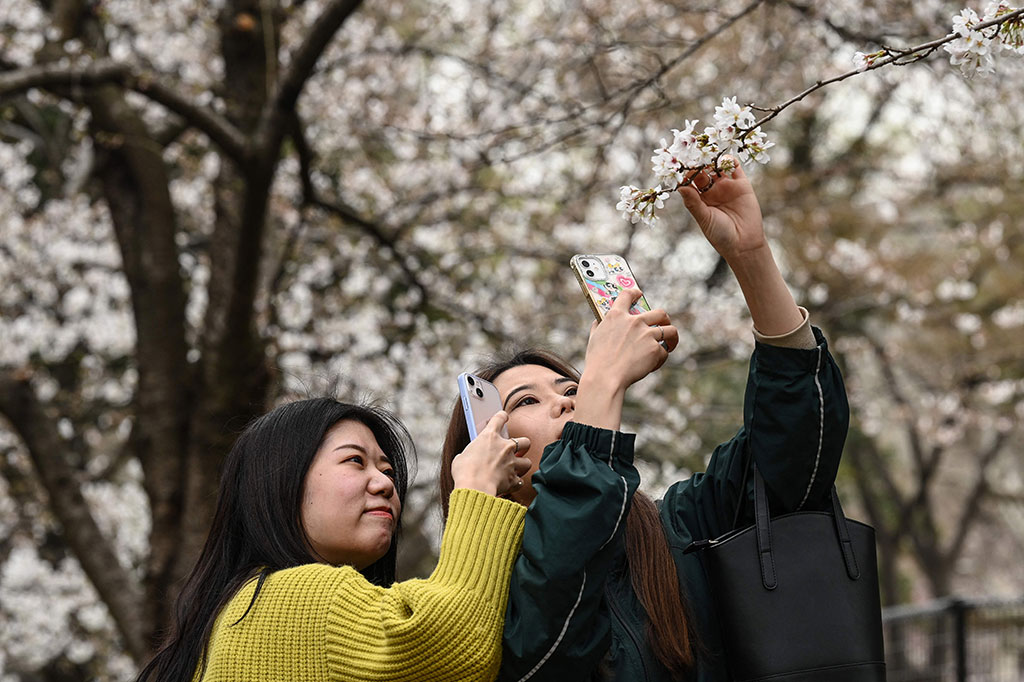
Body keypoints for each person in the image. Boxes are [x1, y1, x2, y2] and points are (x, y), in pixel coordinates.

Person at [439, 161, 850, 681]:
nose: (566, 402)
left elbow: (794, 450)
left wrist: (751, 257)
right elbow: (549, 639)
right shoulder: (473, 605)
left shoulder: (677, 527)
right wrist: (602, 384)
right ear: (488, 447)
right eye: (526, 401)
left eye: (572, 390)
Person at [136, 397, 531, 682]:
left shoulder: (241, 607)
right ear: (282, 483)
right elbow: (452, 644)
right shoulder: (292, 597)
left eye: (388, 471)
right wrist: (478, 488)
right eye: (355, 461)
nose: (385, 484)